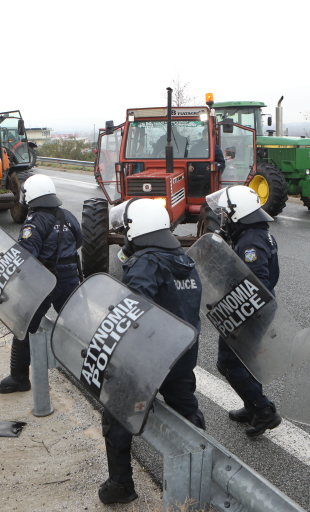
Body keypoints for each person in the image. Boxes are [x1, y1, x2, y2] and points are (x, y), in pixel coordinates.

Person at [99, 198, 204, 505]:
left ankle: (121, 484)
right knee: (186, 413)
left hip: (148, 361)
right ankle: (200, 477)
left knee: (117, 412)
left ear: (136, 230)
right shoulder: (183, 260)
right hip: (182, 358)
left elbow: (134, 313)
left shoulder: (147, 263)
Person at [0, 175, 83, 393]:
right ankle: (89, 374)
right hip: (70, 279)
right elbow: (79, 240)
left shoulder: (34, 222)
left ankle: (19, 378)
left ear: (30, 195)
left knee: (24, 328)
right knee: (80, 328)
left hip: (44, 283)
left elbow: (27, 255)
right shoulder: (68, 215)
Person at [212, 186, 282, 437]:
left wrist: (235, 310)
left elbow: (257, 281)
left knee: (229, 362)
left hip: (250, 310)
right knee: (247, 360)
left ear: (237, 212)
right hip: (257, 308)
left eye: (225, 213)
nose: (222, 217)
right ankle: (251, 405)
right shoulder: (255, 232)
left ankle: (264, 411)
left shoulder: (250, 239)